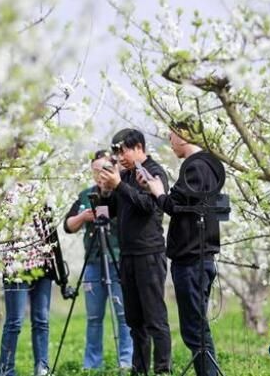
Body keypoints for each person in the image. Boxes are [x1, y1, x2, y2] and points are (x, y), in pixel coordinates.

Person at [141, 122, 224, 376]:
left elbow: (175, 206)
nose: (169, 140)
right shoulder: (211, 165)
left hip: (191, 258)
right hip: (201, 256)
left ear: (184, 135)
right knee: (196, 327)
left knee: (195, 329)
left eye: (172, 135)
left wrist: (156, 192)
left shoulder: (196, 166)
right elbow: (189, 205)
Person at [99, 129, 172, 375]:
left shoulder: (154, 172)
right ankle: (139, 369)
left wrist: (119, 184)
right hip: (127, 255)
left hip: (149, 254)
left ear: (139, 146)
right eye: (116, 152)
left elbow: (148, 206)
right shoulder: (126, 176)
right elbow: (109, 212)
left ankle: (162, 370)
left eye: (123, 150)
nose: (120, 157)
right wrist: (106, 190)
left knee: (155, 319)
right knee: (134, 321)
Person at [63, 150, 133, 370]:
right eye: (95, 170)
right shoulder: (86, 195)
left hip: (117, 257)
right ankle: (92, 365)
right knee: (94, 317)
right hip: (93, 261)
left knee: (123, 313)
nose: (99, 174)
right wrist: (83, 217)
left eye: (104, 169)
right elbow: (68, 226)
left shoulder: (121, 192)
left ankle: (126, 361)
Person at [0, 182, 53, 376]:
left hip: (43, 262)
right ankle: (5, 370)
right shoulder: (3, 187)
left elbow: (48, 224)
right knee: (15, 321)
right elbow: (3, 221)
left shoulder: (40, 186)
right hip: (16, 265)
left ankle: (42, 367)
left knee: (42, 319)